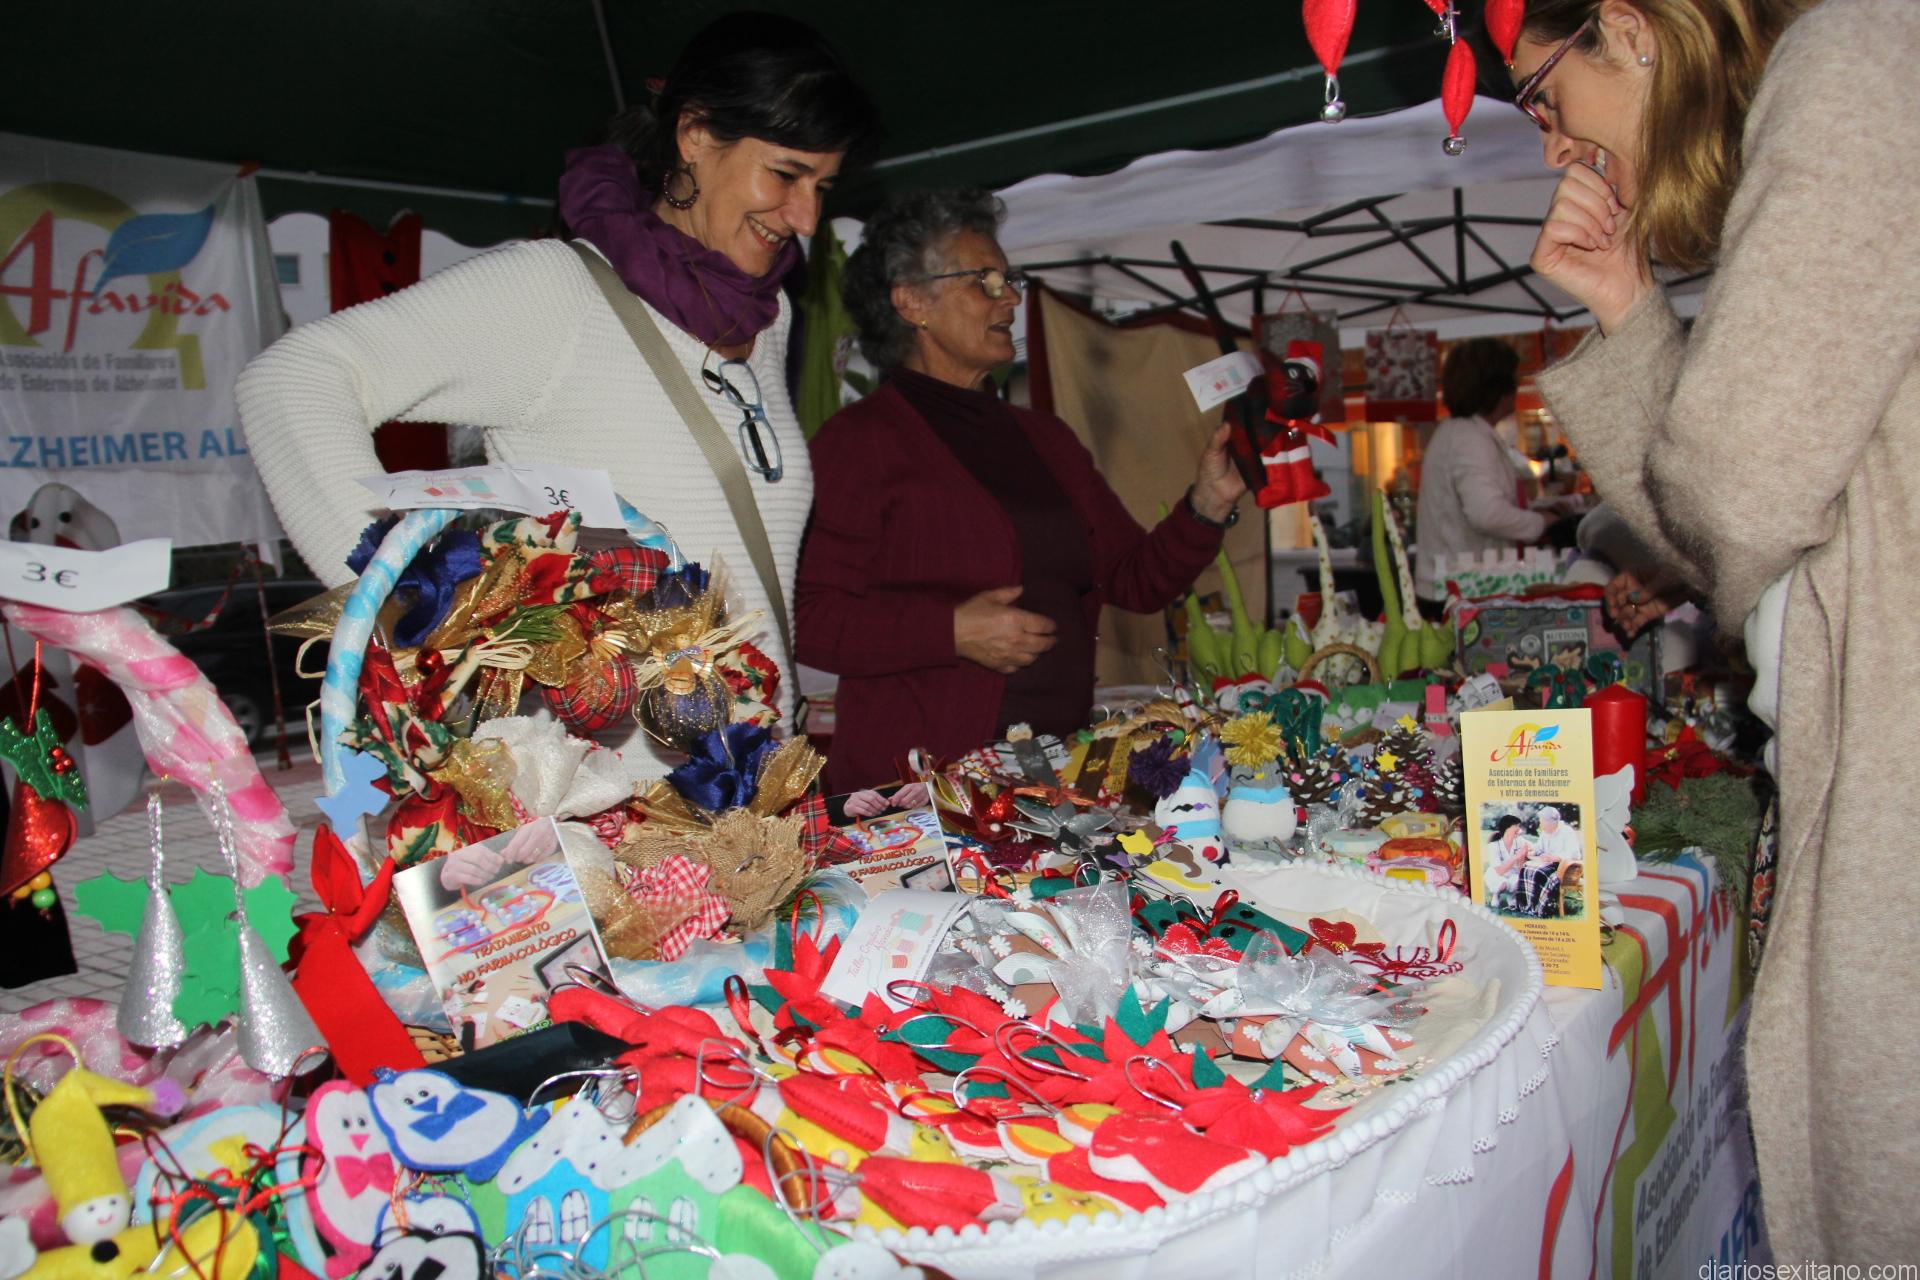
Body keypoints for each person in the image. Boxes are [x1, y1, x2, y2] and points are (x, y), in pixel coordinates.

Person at [1513, 0, 1920, 1255]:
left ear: (1626, 30)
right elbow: (1734, 533)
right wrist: (1628, 308)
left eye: (1542, 97)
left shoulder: (1855, 53)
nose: (1552, 145)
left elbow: (1736, 494)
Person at [235, 14, 878, 776]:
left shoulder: (768, 320)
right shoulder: (559, 292)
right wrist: (420, 611)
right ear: (696, 136)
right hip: (601, 809)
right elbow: (291, 379)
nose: (806, 218)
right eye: (786, 175)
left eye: (823, 187)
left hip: (753, 794)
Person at [797, 189, 1247, 791]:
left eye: (1010, 280)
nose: (1009, 297)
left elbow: (1135, 580)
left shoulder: (1046, 438)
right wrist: (952, 631)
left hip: (1053, 779)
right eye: (984, 281)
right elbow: (812, 620)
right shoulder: (860, 441)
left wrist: (1208, 505)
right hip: (921, 794)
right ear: (911, 302)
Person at [1413, 338, 1569, 605]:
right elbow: (1487, 513)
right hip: (1460, 592)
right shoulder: (1469, 439)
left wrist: (1538, 511)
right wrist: (1541, 522)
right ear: (1498, 387)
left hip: (1456, 588)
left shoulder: (1462, 433)